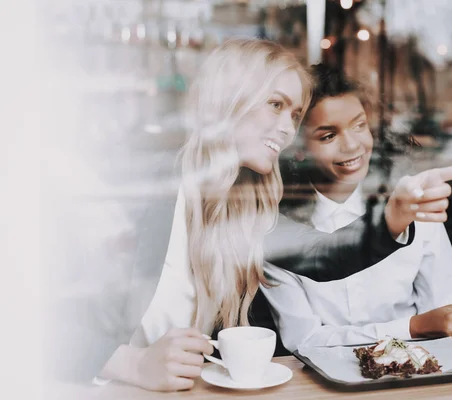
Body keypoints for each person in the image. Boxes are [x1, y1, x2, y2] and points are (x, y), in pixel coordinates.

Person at [96, 39, 426, 392]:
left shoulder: (243, 206)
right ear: (229, 99)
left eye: (294, 114)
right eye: (275, 105)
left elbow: (321, 255)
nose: (287, 128)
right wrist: (134, 363)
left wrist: (394, 216)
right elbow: (47, 321)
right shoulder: (138, 190)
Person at [261, 64, 452, 352]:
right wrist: (413, 327)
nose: (352, 145)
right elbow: (304, 340)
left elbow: (448, 310)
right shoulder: (277, 230)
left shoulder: (414, 205)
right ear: (297, 147)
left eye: (359, 125)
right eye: (328, 135)